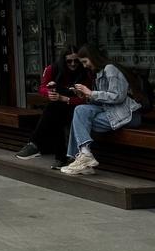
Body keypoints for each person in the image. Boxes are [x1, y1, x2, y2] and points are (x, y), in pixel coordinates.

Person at [61, 45, 144, 176]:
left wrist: (91, 93)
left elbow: (117, 96)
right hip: (113, 112)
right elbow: (102, 100)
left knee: (80, 122)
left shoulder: (110, 69)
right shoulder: (99, 73)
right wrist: (85, 96)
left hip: (128, 115)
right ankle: (85, 156)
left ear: (93, 57)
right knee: (80, 110)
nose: (84, 66)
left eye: (85, 61)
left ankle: (83, 158)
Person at [15, 47, 91, 167]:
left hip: (77, 107)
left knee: (53, 110)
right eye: (69, 61)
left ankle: (35, 145)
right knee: (55, 112)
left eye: (76, 61)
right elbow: (42, 87)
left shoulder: (85, 71)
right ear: (63, 60)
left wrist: (65, 98)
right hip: (59, 106)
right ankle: (59, 157)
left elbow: (86, 99)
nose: (73, 64)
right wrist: (49, 93)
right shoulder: (53, 68)